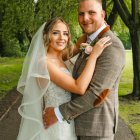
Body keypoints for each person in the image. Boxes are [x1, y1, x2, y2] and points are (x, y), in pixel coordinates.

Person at [16, 17, 111, 140]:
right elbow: (79, 88)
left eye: (65, 33)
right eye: (55, 33)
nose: (62, 38)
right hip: (55, 126)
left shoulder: (61, 56)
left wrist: (99, 24)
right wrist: (93, 56)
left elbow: (81, 41)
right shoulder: (45, 63)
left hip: (66, 121)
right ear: (46, 35)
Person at [43, 0, 126, 140]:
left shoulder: (110, 46)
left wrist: (58, 113)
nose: (85, 18)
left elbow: (97, 94)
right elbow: (58, 57)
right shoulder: (89, 40)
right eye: (81, 14)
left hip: (96, 129)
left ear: (103, 14)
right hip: (77, 127)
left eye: (91, 12)